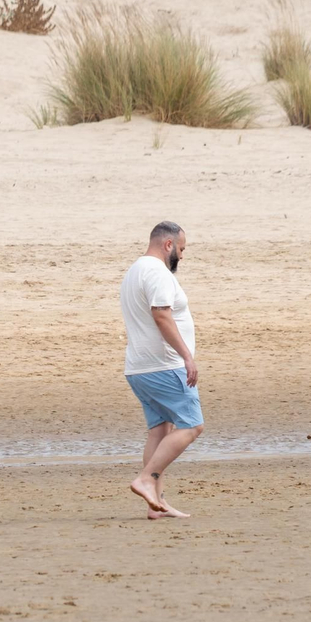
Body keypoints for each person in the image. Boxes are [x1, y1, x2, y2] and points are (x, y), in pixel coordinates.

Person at [120, 221, 200, 519]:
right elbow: (162, 316)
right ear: (168, 245)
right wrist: (187, 358)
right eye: (181, 249)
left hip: (139, 368)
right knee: (192, 426)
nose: (181, 255)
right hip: (164, 365)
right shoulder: (157, 273)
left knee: (160, 430)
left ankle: (157, 503)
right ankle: (146, 479)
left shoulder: (134, 271)